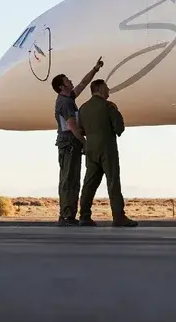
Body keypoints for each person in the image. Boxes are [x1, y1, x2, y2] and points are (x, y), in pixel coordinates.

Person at [77, 79, 138, 227]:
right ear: (99, 89)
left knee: (89, 184)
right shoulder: (108, 106)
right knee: (113, 182)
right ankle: (119, 216)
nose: (109, 90)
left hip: (91, 149)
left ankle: (84, 215)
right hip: (107, 149)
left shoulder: (83, 108)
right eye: (106, 87)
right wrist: (116, 112)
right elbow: (119, 128)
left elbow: (81, 130)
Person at [50, 58, 103, 226]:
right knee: (69, 178)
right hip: (69, 144)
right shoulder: (65, 103)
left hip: (71, 144)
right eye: (67, 81)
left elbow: (82, 84)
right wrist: (85, 143)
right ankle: (66, 215)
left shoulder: (69, 98)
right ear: (61, 87)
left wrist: (94, 69)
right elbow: (73, 127)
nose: (70, 81)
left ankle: (68, 214)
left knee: (72, 178)